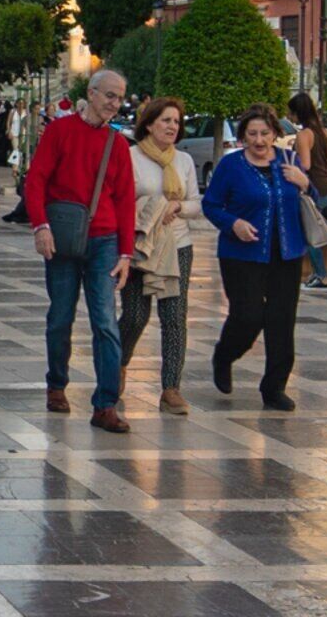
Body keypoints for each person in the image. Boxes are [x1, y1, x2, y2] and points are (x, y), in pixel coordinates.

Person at [17, 67, 138, 432]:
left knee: (105, 321)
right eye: (110, 96)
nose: (114, 104)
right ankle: (56, 384)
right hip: (64, 237)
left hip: (104, 240)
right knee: (61, 316)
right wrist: (40, 226)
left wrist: (126, 253)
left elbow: (126, 200)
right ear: (92, 93)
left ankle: (105, 405)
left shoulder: (118, 145)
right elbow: (36, 181)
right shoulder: (60, 131)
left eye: (120, 98)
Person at [202, 105, 312, 408]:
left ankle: (274, 387)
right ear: (243, 136)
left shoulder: (289, 160)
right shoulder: (231, 165)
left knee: (281, 320)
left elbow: (313, 200)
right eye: (252, 134)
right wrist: (233, 223)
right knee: (248, 315)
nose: (259, 140)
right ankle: (225, 355)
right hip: (241, 254)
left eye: (265, 133)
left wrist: (304, 183)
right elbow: (211, 205)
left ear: (275, 133)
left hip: (287, 253)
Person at [119, 96, 200, 415]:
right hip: (141, 245)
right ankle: (119, 362)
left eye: (176, 122)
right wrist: (149, 211)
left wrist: (177, 206)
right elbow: (121, 199)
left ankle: (171, 389)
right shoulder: (131, 157)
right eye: (166, 120)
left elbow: (196, 204)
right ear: (150, 124)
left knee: (174, 317)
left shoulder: (184, 161)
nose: (172, 126)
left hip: (178, 245)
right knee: (135, 315)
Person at [287, 91, 327, 292]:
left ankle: (321, 276)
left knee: (309, 231)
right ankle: (316, 273)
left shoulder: (304, 135)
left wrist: (291, 167)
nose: (289, 117)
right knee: (311, 228)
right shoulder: (325, 133)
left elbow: (305, 164)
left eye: (291, 113)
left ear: (298, 113)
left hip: (315, 189)